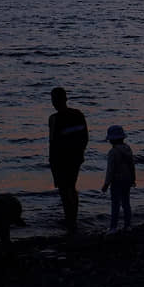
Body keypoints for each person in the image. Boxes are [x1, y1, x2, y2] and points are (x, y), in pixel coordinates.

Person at [48, 87, 88, 233]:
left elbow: (52, 142)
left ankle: (69, 220)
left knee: (65, 190)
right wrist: (80, 154)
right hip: (75, 158)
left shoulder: (54, 118)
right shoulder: (78, 114)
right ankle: (73, 219)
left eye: (54, 99)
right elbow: (84, 137)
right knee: (71, 187)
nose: (53, 102)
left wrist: (51, 161)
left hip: (61, 159)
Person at [101, 125, 136, 235]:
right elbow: (132, 166)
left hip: (116, 181)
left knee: (115, 204)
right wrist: (133, 178)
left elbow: (110, 170)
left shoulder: (113, 152)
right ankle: (128, 225)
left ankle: (113, 227)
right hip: (127, 179)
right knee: (126, 203)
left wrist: (106, 183)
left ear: (111, 139)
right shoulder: (128, 149)